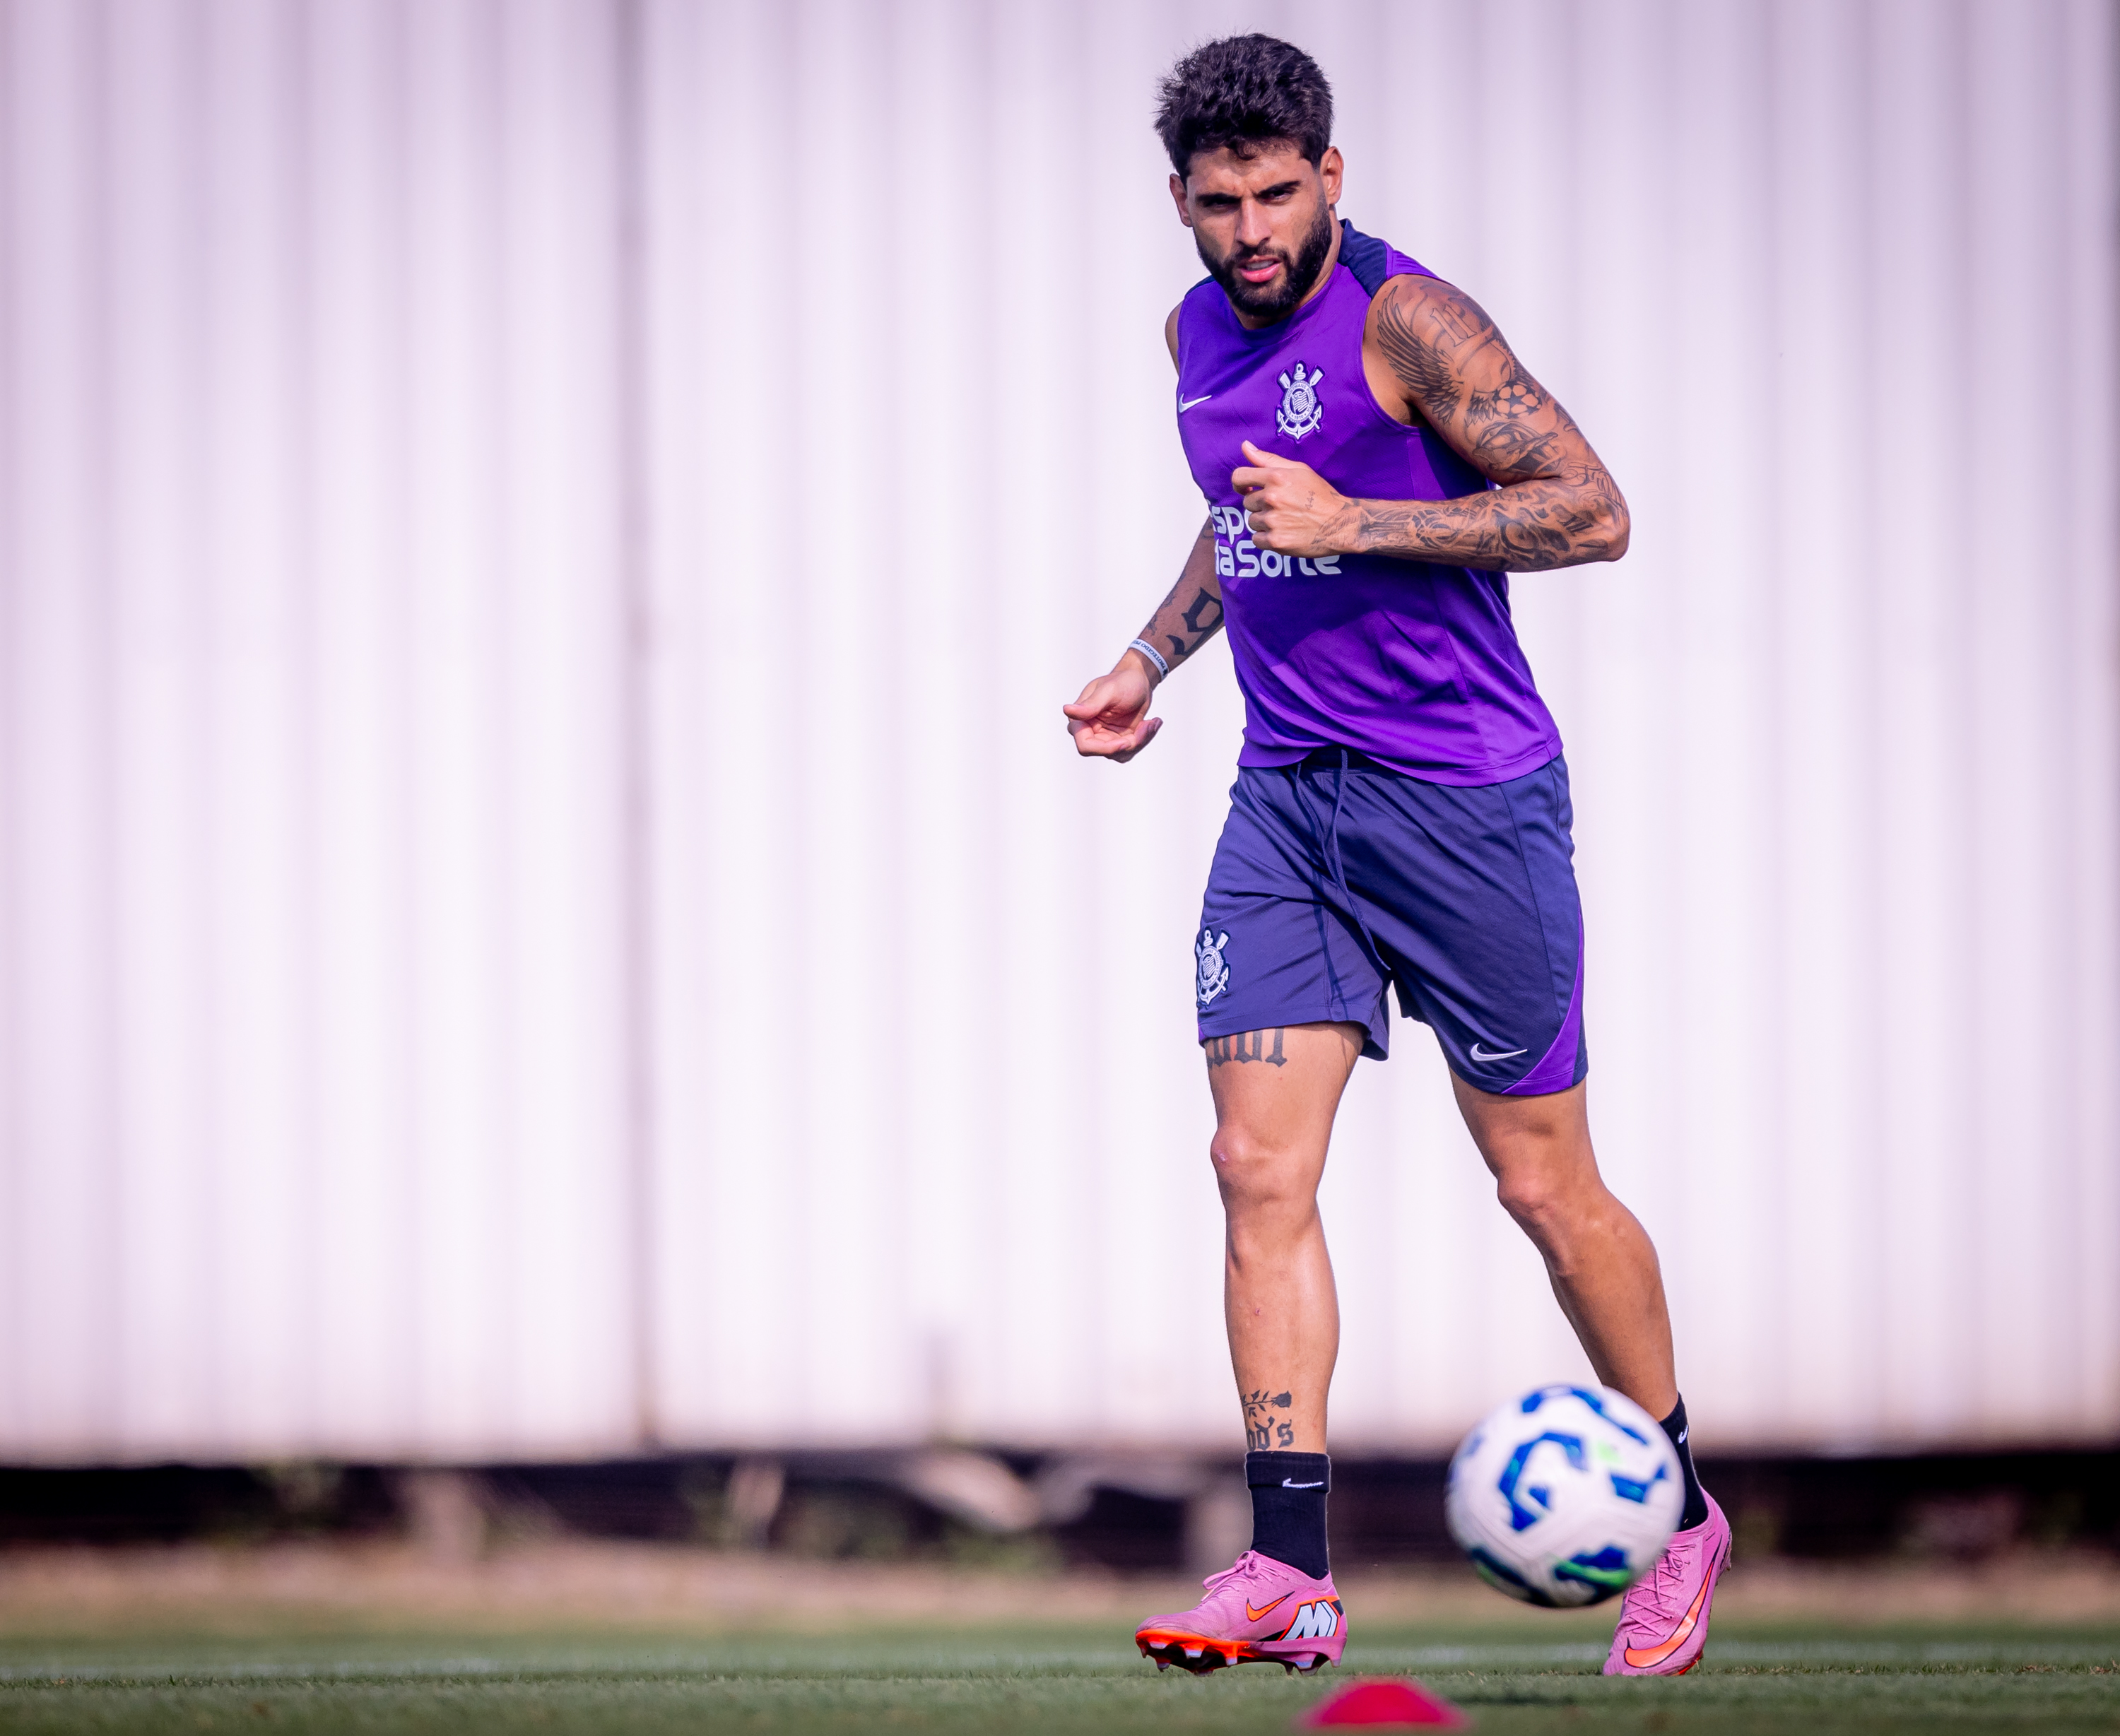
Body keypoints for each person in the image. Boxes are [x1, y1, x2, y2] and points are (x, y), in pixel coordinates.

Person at [1063, 34, 1728, 1679]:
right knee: (1253, 1166)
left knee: (1541, 1185)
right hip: (1288, 801)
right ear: (1181, 203)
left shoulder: (1414, 321)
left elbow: (1593, 508)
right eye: (1219, 202)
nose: (1251, 229)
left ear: (1332, 176)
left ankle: (1689, 1504)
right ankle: (1289, 1564)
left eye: (1279, 192)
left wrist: (1358, 522)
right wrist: (1152, 656)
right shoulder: (1191, 333)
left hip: (1469, 806)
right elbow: (1241, 515)